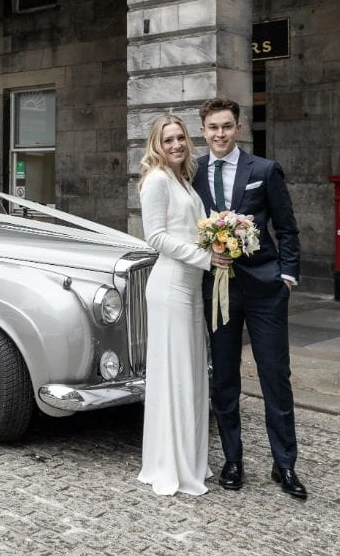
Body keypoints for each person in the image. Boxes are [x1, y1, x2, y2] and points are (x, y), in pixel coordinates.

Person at [193, 97, 306, 499]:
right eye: (212, 127)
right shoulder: (193, 172)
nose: (219, 134)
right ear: (203, 130)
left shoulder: (264, 170)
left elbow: (287, 227)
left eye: (226, 126)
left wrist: (287, 277)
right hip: (217, 289)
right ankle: (233, 459)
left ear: (237, 128)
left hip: (264, 288)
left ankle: (285, 465)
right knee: (223, 377)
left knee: (275, 375)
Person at [136, 114, 230, 496]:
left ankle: (189, 460)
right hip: (171, 284)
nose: (176, 145)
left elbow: (194, 229)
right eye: (168, 139)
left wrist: (223, 236)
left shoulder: (183, 180)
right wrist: (206, 258)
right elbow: (155, 237)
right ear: (157, 144)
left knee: (191, 375)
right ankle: (169, 465)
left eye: (180, 138)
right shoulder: (156, 180)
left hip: (191, 288)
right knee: (175, 375)